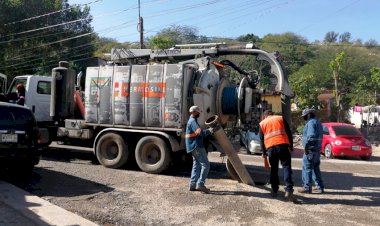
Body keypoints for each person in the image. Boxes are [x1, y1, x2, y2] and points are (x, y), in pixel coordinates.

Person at [259, 110, 294, 201]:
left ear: (265, 116)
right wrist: (291, 146)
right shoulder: (280, 118)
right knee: (286, 167)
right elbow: (289, 133)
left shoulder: (262, 123)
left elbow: (261, 141)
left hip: (271, 149)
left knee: (274, 170)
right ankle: (288, 190)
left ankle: (274, 190)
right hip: (283, 146)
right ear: (272, 114)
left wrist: (264, 155)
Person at [186, 105, 212, 193]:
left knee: (196, 164)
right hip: (196, 146)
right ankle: (200, 184)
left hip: (192, 146)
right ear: (193, 112)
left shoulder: (192, 121)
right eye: (197, 112)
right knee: (206, 165)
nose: (199, 114)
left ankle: (192, 184)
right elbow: (200, 133)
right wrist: (210, 131)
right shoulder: (193, 121)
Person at [299, 108, 325, 194]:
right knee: (315, 168)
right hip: (317, 150)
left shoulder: (311, 123)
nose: (304, 118)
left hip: (310, 150)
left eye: (305, 116)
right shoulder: (318, 122)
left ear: (309, 115)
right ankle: (320, 187)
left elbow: (311, 136)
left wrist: (307, 147)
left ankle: (307, 187)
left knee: (307, 168)